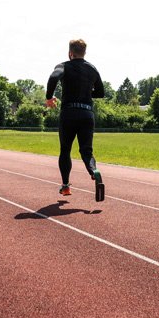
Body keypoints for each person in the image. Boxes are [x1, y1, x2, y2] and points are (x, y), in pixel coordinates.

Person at [45, 39, 105, 201]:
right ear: (84, 52)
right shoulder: (92, 69)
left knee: (65, 150)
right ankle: (94, 171)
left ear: (70, 53)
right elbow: (100, 92)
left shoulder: (64, 65)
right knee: (86, 151)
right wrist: (85, 92)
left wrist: (49, 97)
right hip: (87, 114)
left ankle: (65, 186)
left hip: (69, 113)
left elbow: (53, 77)